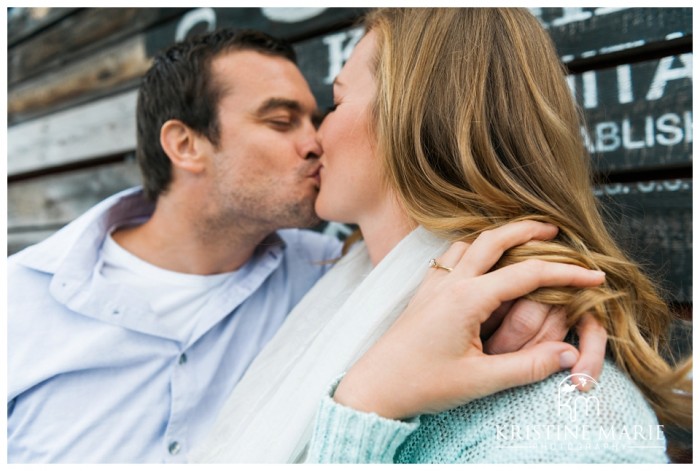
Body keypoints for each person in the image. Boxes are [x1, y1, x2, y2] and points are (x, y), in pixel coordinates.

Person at [7, 27, 605, 463]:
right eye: (279, 120)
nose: (314, 140)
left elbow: (432, 278)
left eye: (325, 109)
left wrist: (551, 287)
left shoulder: (328, 275)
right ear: (186, 145)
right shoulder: (19, 304)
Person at [192, 8, 692, 464]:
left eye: (337, 101)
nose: (313, 137)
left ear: (409, 121)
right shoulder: (338, 287)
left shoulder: (568, 420)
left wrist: (365, 406)